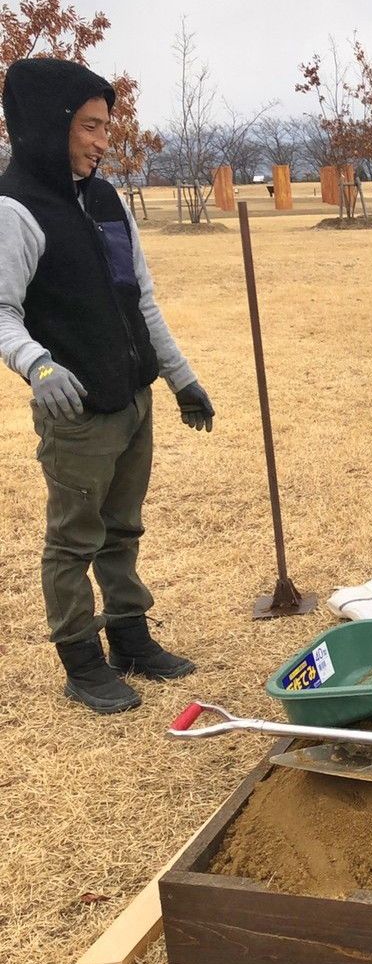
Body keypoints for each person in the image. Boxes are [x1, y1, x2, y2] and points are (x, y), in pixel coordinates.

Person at [0, 58, 215, 713]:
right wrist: (37, 364)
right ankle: (82, 662)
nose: (102, 141)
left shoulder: (105, 200)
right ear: (49, 124)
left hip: (132, 398)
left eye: (106, 126)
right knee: (73, 541)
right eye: (89, 126)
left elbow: (139, 298)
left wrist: (181, 378)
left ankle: (130, 639)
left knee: (122, 529)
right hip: (77, 413)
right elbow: (2, 309)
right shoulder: (16, 208)